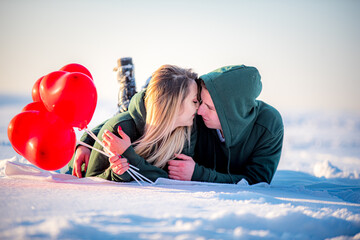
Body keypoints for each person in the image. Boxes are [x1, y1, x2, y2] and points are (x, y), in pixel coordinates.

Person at [70, 64, 199, 182]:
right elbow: (90, 179)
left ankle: (130, 92)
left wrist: (129, 155)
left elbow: (169, 179)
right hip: (135, 117)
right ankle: (126, 84)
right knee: (125, 109)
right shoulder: (120, 130)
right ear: (174, 105)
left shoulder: (186, 129)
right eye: (194, 101)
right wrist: (116, 173)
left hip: (150, 115)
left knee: (129, 105)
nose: (199, 106)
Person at [167, 65, 284, 185]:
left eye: (210, 107)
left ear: (232, 112)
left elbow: (257, 181)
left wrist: (199, 174)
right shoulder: (192, 117)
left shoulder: (268, 125)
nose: (199, 111)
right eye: (200, 101)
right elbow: (177, 168)